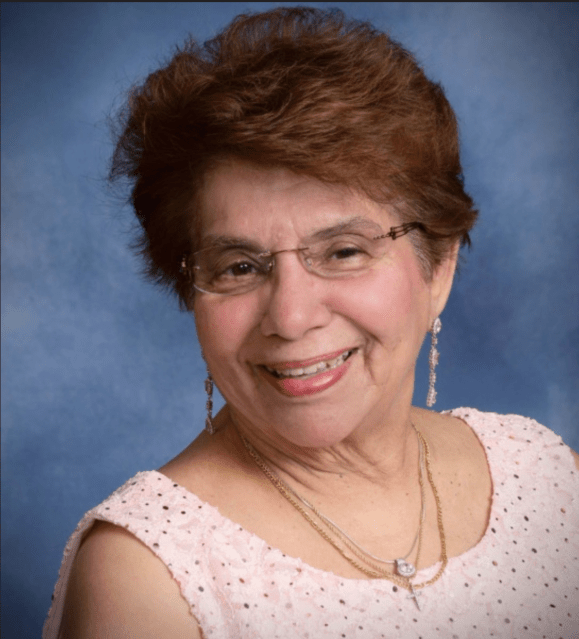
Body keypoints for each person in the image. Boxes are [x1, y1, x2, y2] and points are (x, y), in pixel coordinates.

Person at [44, 7, 578, 638]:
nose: (291, 318)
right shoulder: (144, 573)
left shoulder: (541, 476)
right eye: (240, 266)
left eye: (344, 252)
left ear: (438, 269)